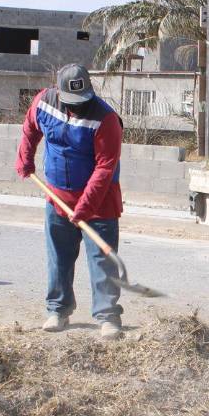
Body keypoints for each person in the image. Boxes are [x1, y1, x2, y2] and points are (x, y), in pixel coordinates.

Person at [16, 64, 124, 339]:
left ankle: (107, 316)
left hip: (99, 203)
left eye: (82, 101)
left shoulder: (106, 119)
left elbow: (104, 168)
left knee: (102, 261)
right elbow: (30, 128)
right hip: (57, 198)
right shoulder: (44, 101)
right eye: (71, 102)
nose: (77, 107)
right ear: (59, 91)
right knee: (59, 258)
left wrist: (84, 207)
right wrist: (25, 158)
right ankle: (58, 310)